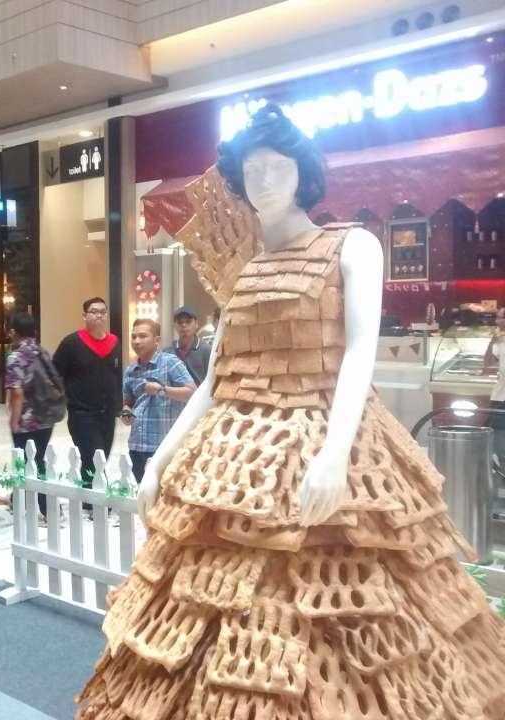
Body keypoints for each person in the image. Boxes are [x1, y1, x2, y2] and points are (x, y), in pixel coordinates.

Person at [77, 104, 505, 715]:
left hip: (327, 443)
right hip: (233, 459)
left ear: (304, 172)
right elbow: (216, 381)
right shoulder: (245, 272)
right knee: (213, 607)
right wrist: (161, 461)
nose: (264, 181)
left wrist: (334, 453)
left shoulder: (352, 245)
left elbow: (359, 352)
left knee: (364, 605)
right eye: (252, 170)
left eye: (276, 167)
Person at [52, 297, 121, 491]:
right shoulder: (72, 343)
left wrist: (120, 405)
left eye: (103, 312)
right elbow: (54, 373)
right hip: (82, 414)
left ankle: (86, 496)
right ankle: (99, 499)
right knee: (94, 457)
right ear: (84, 315)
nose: (99, 315)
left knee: (100, 457)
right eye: (94, 312)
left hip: (107, 414)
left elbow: (116, 375)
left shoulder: (114, 342)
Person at [121, 319, 195, 483]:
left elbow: (192, 392)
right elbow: (128, 401)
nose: (136, 341)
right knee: (141, 491)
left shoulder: (170, 362)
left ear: (157, 340)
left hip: (164, 446)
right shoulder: (131, 370)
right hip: (137, 445)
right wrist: (126, 411)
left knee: (164, 493)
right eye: (133, 336)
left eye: (142, 336)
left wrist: (162, 390)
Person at [5, 312, 61, 519]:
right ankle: (38, 505)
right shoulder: (42, 351)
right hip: (47, 416)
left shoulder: (15, 356)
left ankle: (37, 507)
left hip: (27, 420)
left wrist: (14, 420)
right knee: (39, 459)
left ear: (13, 332)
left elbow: (17, 393)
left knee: (24, 461)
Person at [166, 305, 212, 385]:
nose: (184, 325)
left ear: (196, 324)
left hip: (199, 392)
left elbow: (211, 380)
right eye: (180, 322)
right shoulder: (168, 352)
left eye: (188, 321)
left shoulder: (206, 350)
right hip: (174, 392)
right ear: (175, 326)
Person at [485, 306, 505, 464]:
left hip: (501, 396)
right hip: (500, 394)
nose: (497, 321)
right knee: (496, 431)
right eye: (497, 317)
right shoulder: (500, 340)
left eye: (500, 317)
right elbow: (488, 362)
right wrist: (494, 339)